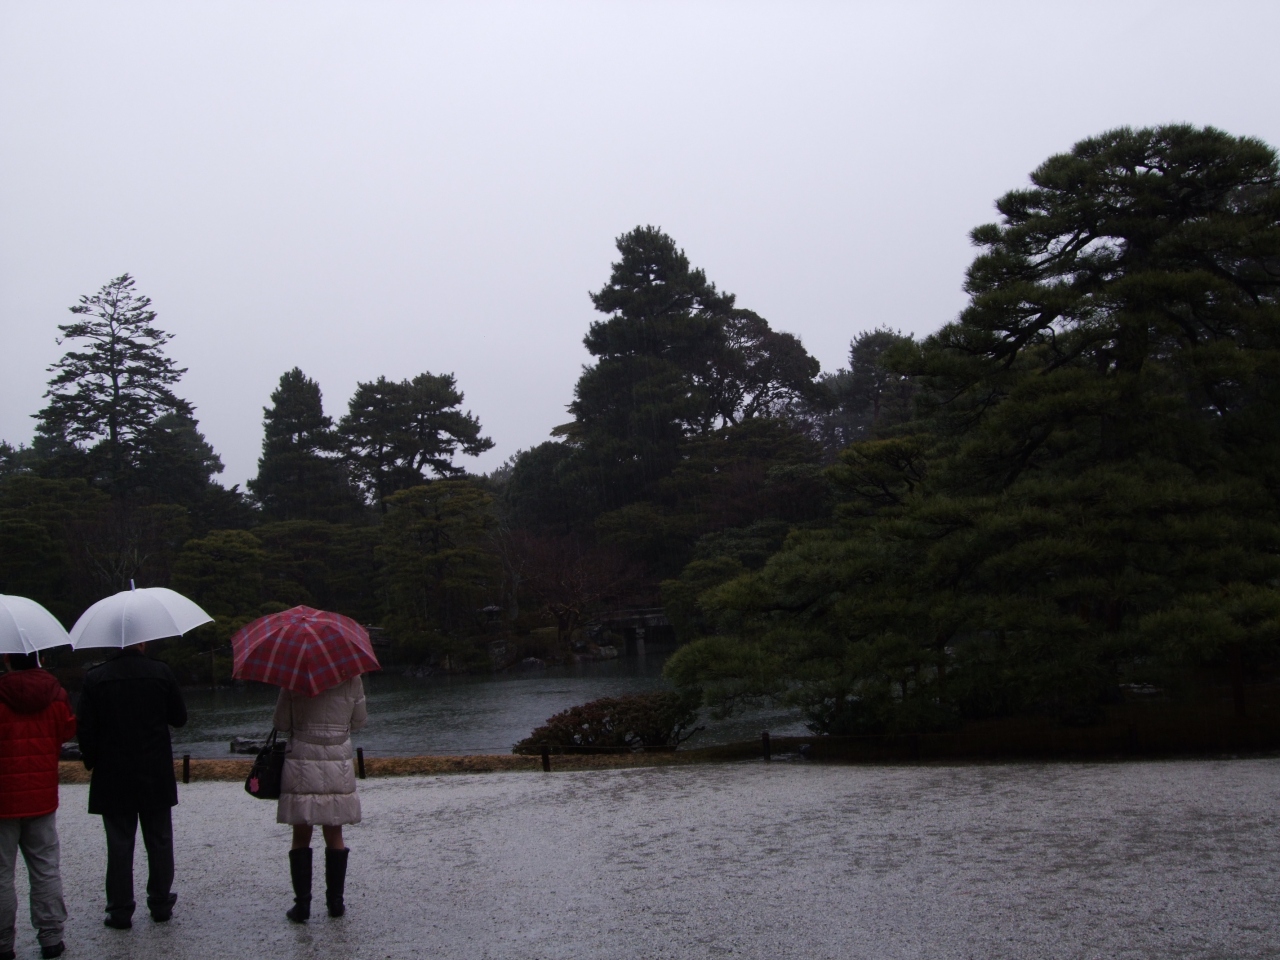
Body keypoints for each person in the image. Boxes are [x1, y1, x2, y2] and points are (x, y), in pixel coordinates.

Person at [76, 641, 186, 930]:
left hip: (113, 771)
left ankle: (120, 909)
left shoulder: (96, 677)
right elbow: (179, 718)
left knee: (119, 844)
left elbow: (85, 728)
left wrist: (91, 760)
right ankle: (160, 903)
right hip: (155, 769)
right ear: (143, 642)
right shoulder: (161, 672)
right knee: (160, 840)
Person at [0, 653, 76, 960]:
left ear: (7, 658)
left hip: (3, 799)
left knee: (2, 874)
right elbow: (67, 731)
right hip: (42, 795)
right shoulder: (56, 693)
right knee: (45, 868)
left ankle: (3, 942)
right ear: (39, 656)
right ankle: (51, 937)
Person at [274, 674, 366, 922]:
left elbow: (281, 723)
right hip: (338, 759)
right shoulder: (352, 677)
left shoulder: (293, 676)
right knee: (334, 831)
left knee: (301, 832)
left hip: (302, 760)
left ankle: (302, 905)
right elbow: (359, 720)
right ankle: (336, 903)